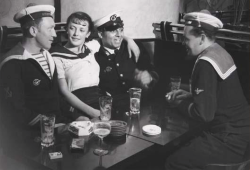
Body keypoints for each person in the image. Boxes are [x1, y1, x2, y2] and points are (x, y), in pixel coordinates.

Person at [165, 11, 250, 169]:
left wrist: (178, 104)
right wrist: (190, 95)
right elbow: (220, 94)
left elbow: (204, 115)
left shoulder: (205, 62)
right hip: (244, 135)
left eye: (186, 39)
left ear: (202, 37)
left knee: (173, 162)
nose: (183, 43)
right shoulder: (219, 51)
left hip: (228, 138)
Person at [0, 4, 87, 144]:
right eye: (50, 29)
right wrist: (54, 127)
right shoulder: (12, 63)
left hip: (57, 127)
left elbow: (55, 98)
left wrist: (76, 116)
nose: (55, 34)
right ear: (33, 31)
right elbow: (17, 112)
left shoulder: (47, 56)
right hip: (31, 139)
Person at [50, 11, 140, 119]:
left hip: (99, 99)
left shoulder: (91, 47)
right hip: (76, 103)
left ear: (87, 34)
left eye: (82, 30)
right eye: (72, 28)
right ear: (66, 30)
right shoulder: (56, 55)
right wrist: (93, 112)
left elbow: (109, 37)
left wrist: (129, 40)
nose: (76, 34)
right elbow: (64, 92)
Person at [94, 10, 159, 108]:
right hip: (111, 111)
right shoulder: (94, 56)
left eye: (121, 30)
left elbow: (154, 74)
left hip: (141, 108)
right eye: (113, 31)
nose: (119, 34)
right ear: (100, 34)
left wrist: (149, 78)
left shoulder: (136, 48)